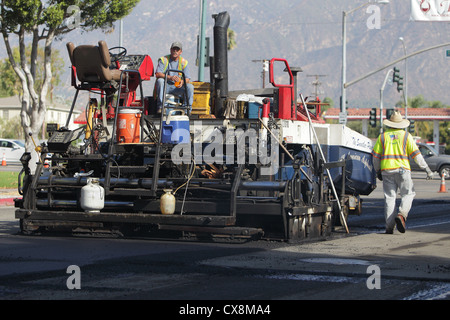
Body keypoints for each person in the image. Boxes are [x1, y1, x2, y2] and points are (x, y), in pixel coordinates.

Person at [371, 110, 433, 234]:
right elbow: (416, 154)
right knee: (408, 194)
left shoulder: (382, 137)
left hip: (386, 171)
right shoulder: (406, 136)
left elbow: (376, 157)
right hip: (403, 170)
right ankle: (402, 214)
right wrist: (426, 169)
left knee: (389, 198)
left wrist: (377, 171)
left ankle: (389, 227)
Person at [154, 41, 194, 114]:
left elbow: (187, 78)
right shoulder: (164, 60)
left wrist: (182, 82)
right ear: (170, 50)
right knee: (160, 81)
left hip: (177, 88)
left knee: (190, 86)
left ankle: (187, 109)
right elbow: (158, 74)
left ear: (180, 52)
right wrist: (170, 77)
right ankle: (162, 107)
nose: (175, 51)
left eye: (177, 50)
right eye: (173, 49)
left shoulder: (184, 62)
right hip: (166, 87)